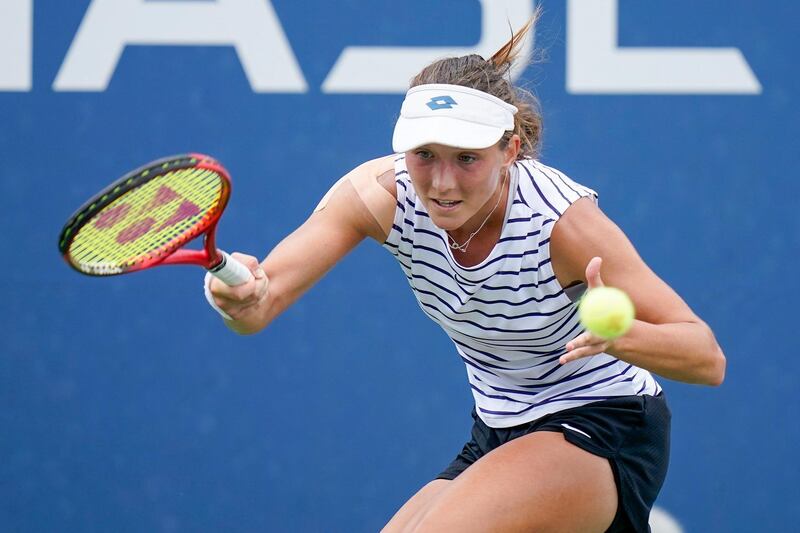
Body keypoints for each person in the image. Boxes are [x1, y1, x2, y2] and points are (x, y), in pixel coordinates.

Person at [205, 18, 726, 533]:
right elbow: (259, 307)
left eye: (467, 159)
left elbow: (706, 357)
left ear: (510, 151)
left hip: (604, 422)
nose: (442, 183)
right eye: (424, 155)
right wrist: (238, 298)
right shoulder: (378, 196)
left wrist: (619, 336)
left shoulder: (564, 225)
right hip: (498, 429)